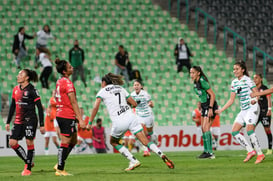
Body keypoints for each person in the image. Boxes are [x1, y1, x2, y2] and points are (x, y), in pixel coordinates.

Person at [87, 73, 174, 171]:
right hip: (131, 117)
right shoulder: (120, 88)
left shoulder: (102, 91)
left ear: (104, 83)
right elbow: (134, 104)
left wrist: (90, 123)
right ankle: (161, 154)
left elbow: (95, 107)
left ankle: (133, 160)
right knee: (145, 141)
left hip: (119, 121)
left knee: (113, 142)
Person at [216, 61, 265, 164]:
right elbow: (231, 100)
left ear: (243, 70)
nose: (235, 71)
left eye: (237, 69)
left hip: (252, 107)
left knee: (249, 130)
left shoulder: (248, 80)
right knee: (234, 131)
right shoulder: (234, 82)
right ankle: (250, 151)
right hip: (243, 110)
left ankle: (260, 154)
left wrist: (255, 100)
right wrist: (221, 110)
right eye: (234, 69)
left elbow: (257, 93)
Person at [5, 69, 45, 176]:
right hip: (18, 121)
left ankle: (27, 168)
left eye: (21, 74)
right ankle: (29, 161)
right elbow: (13, 106)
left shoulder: (32, 90)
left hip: (30, 120)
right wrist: (8, 122)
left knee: (29, 143)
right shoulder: (15, 90)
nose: (18, 76)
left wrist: (42, 124)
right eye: (18, 74)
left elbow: (40, 108)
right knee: (12, 143)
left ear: (27, 78)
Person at [53, 58, 86, 176]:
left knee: (73, 140)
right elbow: (73, 102)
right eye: (69, 66)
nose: (72, 67)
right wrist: (81, 119)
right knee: (66, 141)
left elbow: (56, 97)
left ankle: (59, 163)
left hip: (62, 113)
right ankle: (60, 169)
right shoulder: (67, 83)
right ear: (64, 71)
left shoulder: (59, 81)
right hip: (66, 115)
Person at [190, 66, 218, 159]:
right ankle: (206, 151)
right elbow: (202, 95)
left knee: (206, 128)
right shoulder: (195, 82)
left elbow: (212, 95)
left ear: (198, 73)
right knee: (203, 128)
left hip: (210, 105)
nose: (191, 75)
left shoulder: (202, 81)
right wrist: (200, 104)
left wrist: (210, 108)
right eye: (190, 73)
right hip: (204, 105)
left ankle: (210, 152)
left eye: (193, 73)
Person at [131, 80, 157, 157]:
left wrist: (150, 104)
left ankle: (154, 142)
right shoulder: (132, 95)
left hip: (148, 115)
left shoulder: (145, 94)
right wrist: (135, 105)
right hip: (139, 116)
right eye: (135, 85)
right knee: (141, 132)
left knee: (150, 132)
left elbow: (152, 105)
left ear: (141, 86)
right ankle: (146, 150)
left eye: (137, 85)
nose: (136, 86)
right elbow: (131, 106)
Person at [253, 74, 272, 155]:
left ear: (261, 79)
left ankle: (270, 149)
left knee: (267, 130)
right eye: (254, 78)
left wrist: (269, 109)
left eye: (256, 78)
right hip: (256, 112)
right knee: (251, 129)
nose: (255, 79)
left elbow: (268, 99)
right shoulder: (253, 89)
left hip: (264, 112)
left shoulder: (264, 88)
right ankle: (254, 149)